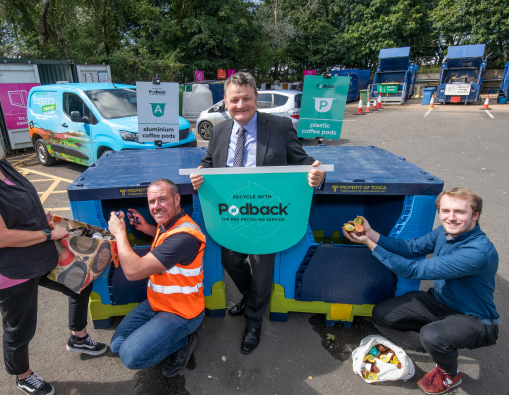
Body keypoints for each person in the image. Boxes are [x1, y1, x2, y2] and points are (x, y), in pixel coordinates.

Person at [0, 97, 107, 395]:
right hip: (10, 267)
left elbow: (25, 203)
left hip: (38, 252)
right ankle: (23, 375)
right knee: (20, 327)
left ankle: (78, 337)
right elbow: (0, 236)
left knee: (80, 283)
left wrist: (50, 223)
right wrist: (48, 234)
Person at [189, 72, 326, 354]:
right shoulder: (219, 130)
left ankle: (253, 321)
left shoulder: (280, 126)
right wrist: (200, 174)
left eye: (246, 98)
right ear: (225, 102)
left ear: (256, 99)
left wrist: (318, 173)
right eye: (234, 100)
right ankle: (253, 298)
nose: (240, 105)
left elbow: (304, 162)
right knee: (231, 260)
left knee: (262, 267)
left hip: (267, 212)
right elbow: (208, 162)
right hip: (232, 213)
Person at [342, 188, 499, 394]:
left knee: (432, 336)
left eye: (460, 212)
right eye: (445, 211)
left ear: (475, 215)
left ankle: (450, 373)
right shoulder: (444, 232)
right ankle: (441, 336)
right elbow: (411, 248)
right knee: (382, 314)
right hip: (441, 303)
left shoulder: (477, 252)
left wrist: (368, 243)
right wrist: (372, 234)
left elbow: (411, 270)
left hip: (474, 318)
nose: (451, 218)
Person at [108, 178, 206, 377]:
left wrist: (120, 233)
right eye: (152, 202)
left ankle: (184, 341)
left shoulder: (185, 236)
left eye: (162, 200)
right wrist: (146, 228)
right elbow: (166, 243)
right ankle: (168, 337)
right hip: (156, 303)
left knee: (131, 358)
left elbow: (133, 271)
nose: (156, 207)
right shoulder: (168, 224)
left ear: (177, 199)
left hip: (181, 312)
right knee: (117, 346)